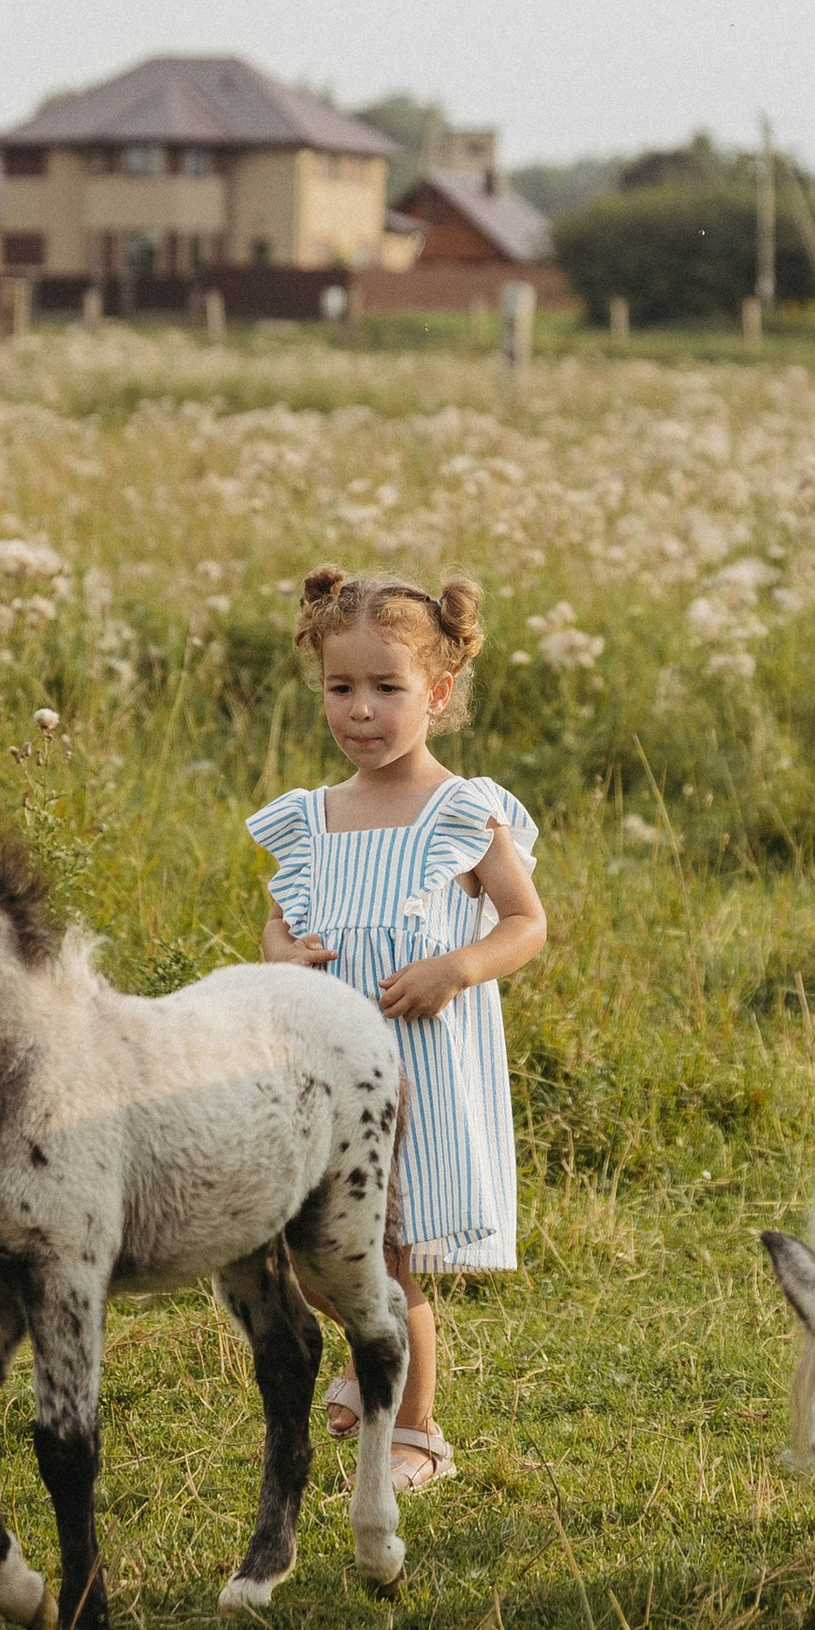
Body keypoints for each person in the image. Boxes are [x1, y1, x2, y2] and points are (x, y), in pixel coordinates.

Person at [246, 567, 545, 1494]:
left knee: (386, 1260)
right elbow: (280, 925)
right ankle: (364, 1355)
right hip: (320, 1081)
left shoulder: (460, 812)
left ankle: (417, 1432)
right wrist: (281, 957)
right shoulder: (311, 820)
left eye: (387, 688)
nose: (361, 711)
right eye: (342, 689)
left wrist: (456, 968)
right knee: (310, 1260)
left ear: (439, 692)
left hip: (414, 1085)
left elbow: (524, 924)